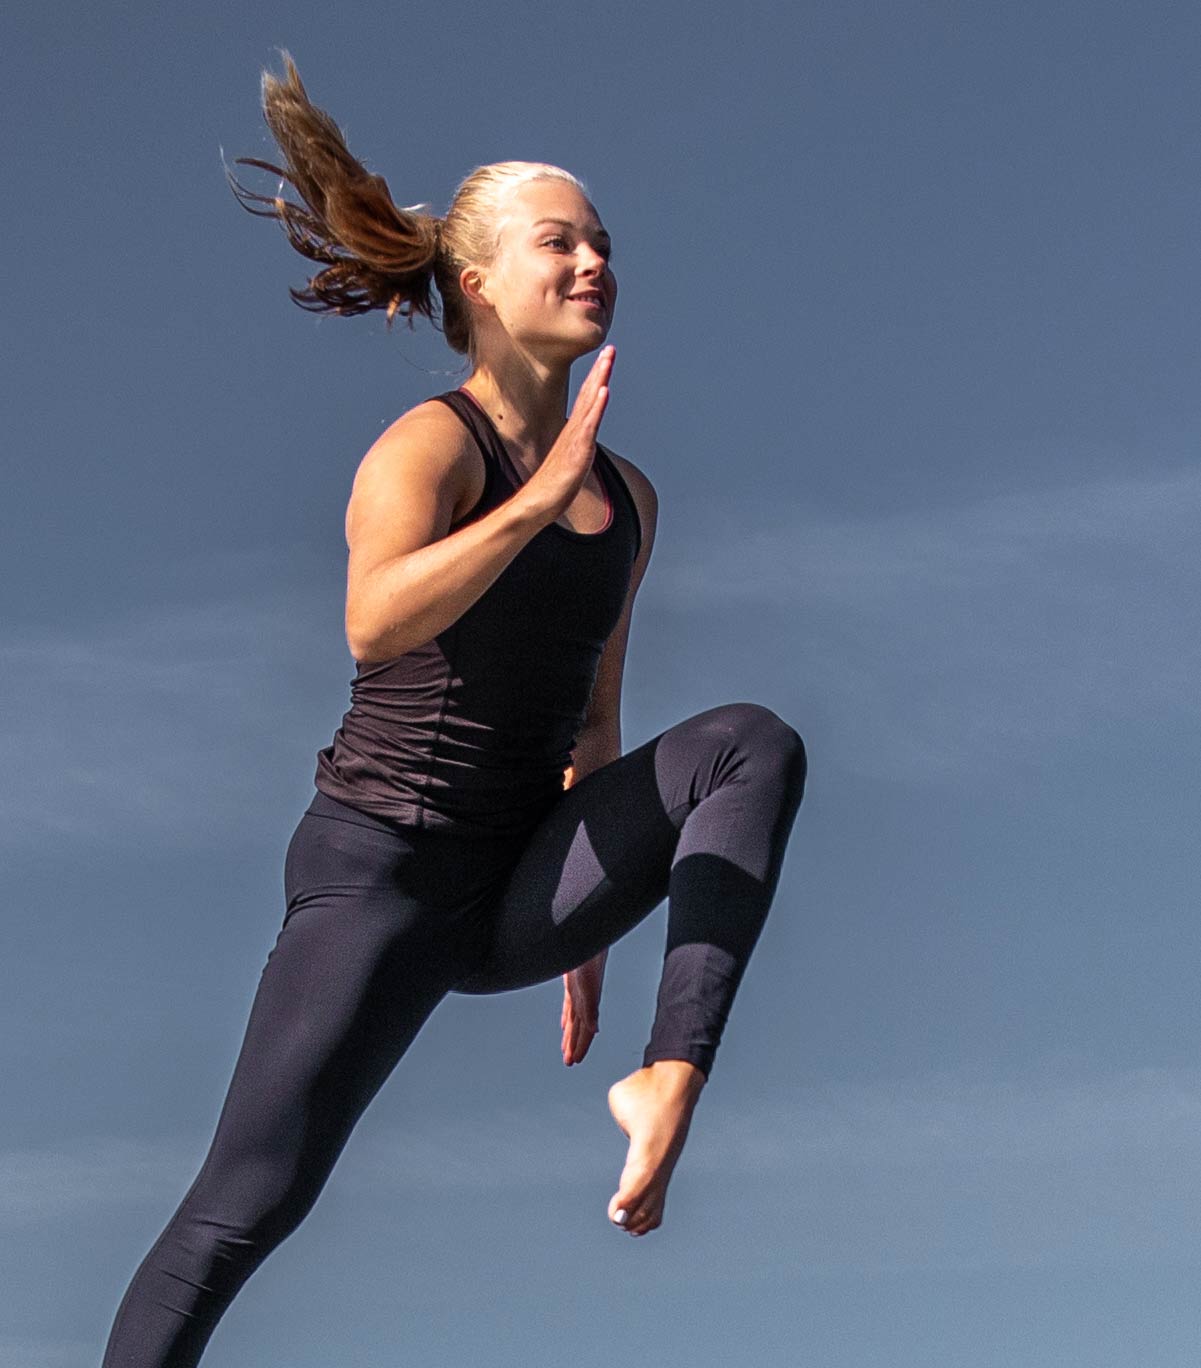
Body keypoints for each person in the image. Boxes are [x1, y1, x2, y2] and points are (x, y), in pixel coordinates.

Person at [101, 53, 807, 1368]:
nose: (593, 260)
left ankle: (668, 1072)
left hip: (520, 878)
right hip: (382, 880)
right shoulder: (428, 447)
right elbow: (375, 620)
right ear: (477, 282)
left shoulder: (630, 499)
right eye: (560, 242)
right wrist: (533, 504)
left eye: (602, 241)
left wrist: (603, 901)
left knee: (749, 743)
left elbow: (594, 715)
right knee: (242, 1212)